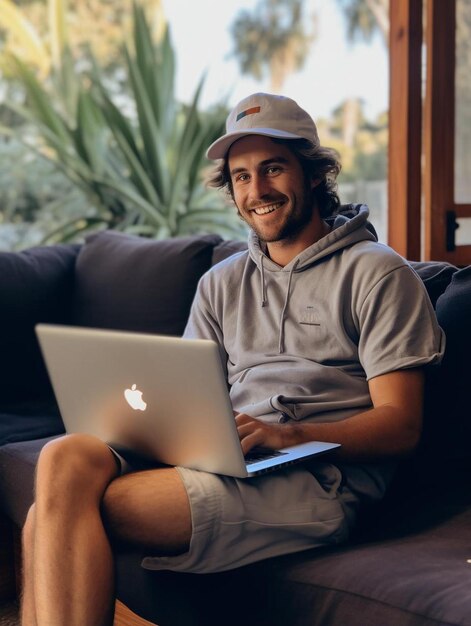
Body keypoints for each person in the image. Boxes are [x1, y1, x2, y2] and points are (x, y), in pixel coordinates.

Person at [21, 93, 444, 626]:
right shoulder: (220, 283)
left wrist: (292, 437)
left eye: (272, 169)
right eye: (241, 177)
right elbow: (184, 397)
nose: (257, 190)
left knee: (52, 517)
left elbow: (401, 426)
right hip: (229, 456)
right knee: (65, 458)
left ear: (313, 174)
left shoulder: (378, 274)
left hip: (318, 476)